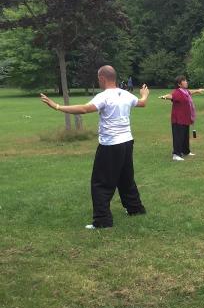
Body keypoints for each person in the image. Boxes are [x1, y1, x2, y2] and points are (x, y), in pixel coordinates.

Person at [40, 65, 149, 229]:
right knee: (125, 178)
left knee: (100, 183)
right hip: (127, 142)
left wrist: (57, 106)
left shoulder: (104, 96)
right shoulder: (126, 94)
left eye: (98, 79)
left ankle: (102, 221)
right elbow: (142, 103)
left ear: (102, 78)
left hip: (111, 145)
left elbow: (84, 109)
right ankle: (135, 209)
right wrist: (144, 94)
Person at [159, 75, 204, 161]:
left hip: (185, 118)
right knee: (178, 136)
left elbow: (190, 92)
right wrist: (165, 97)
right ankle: (176, 154)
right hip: (178, 119)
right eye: (184, 81)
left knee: (185, 136)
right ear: (179, 84)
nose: (186, 82)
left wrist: (198, 91)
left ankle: (185, 151)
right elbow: (171, 96)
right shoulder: (177, 92)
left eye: (185, 80)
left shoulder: (185, 91)